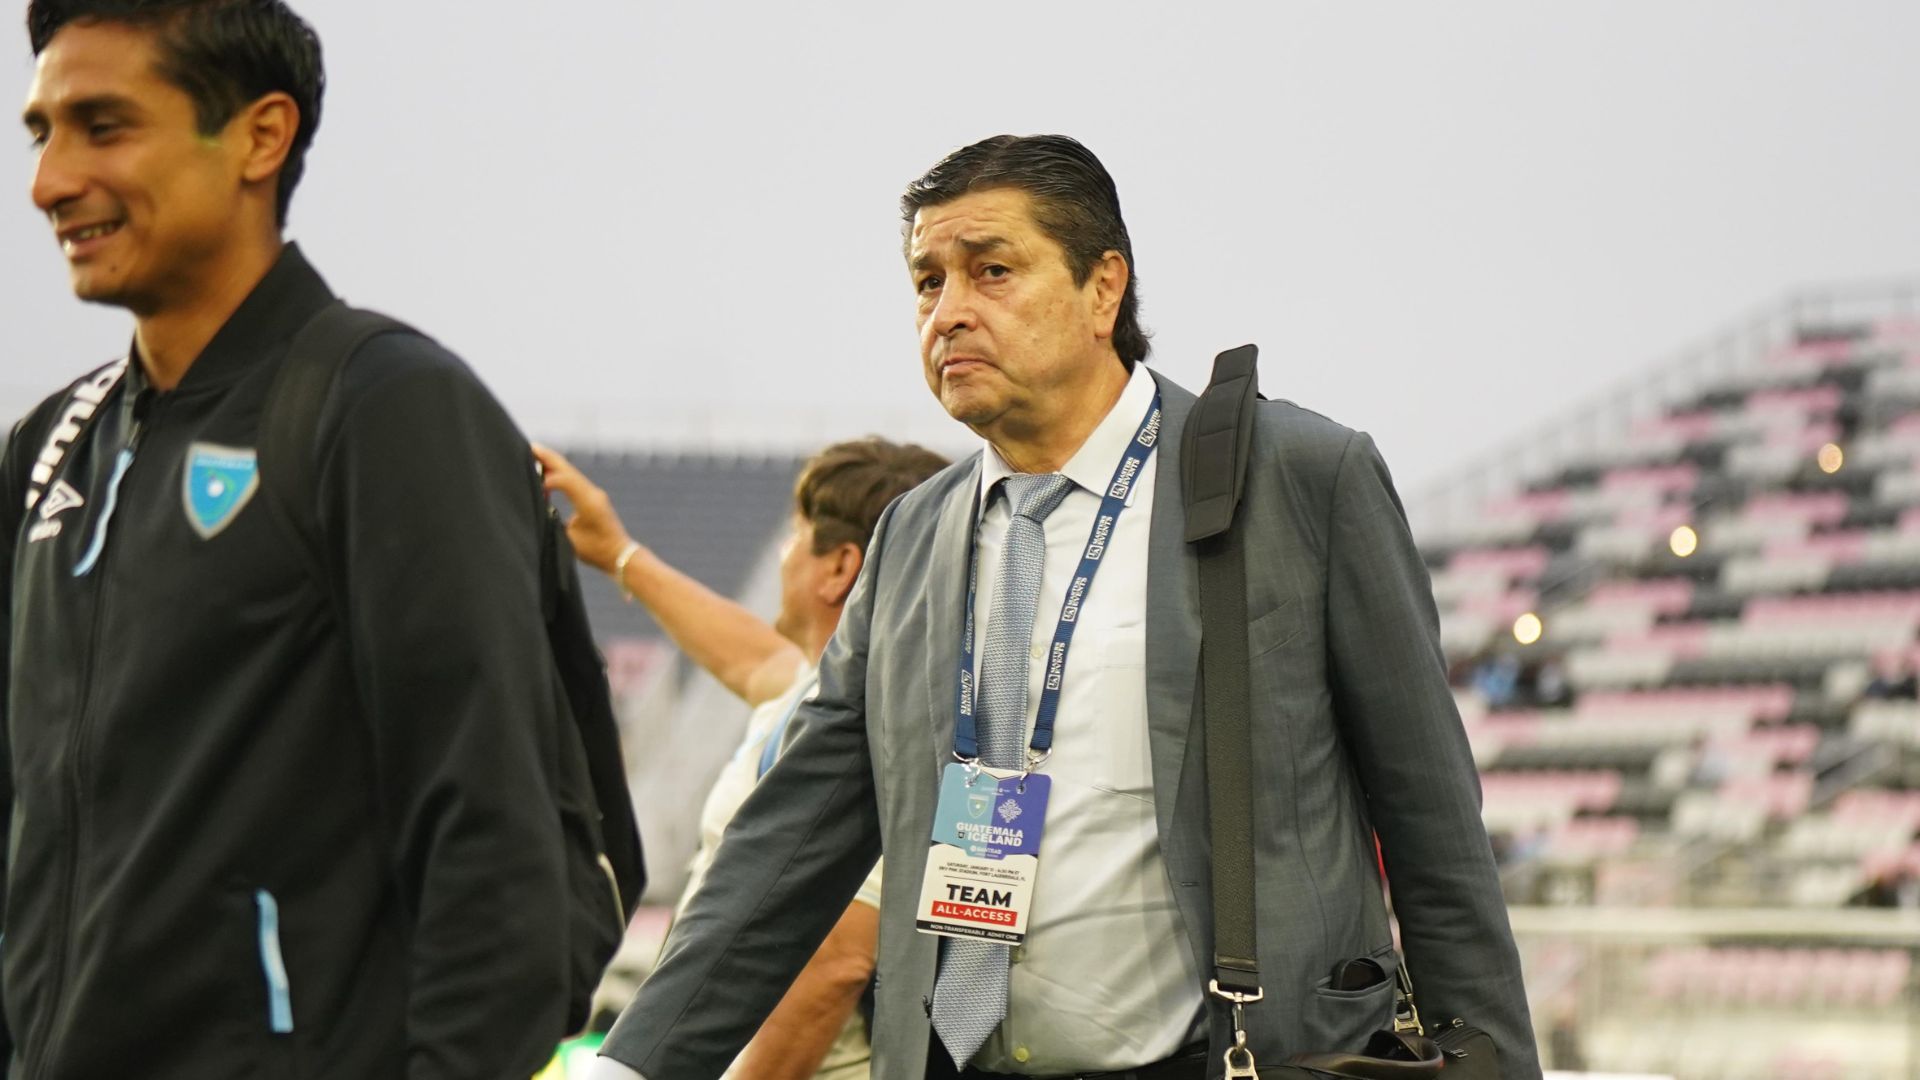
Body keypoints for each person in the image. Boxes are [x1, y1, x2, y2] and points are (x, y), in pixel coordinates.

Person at [589, 134, 1542, 1080]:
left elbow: (1434, 831)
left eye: (991, 271)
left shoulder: (1296, 478)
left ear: (1103, 288)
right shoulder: (912, 537)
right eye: (928, 282)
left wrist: (1493, 1067)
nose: (950, 312)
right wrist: (629, 1068)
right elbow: (789, 837)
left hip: (1232, 1059)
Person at [4, 2, 577, 1075]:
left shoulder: (386, 409)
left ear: (260, 137)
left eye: (106, 125)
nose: (50, 181)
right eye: (43, 132)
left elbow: (497, 854)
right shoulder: (48, 448)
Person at [535, 436, 947, 1080]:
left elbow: (834, 963)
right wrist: (618, 553)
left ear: (838, 568)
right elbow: (748, 655)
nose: (782, 556)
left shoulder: (870, 734)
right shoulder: (814, 690)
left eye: (794, 536)